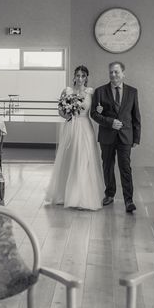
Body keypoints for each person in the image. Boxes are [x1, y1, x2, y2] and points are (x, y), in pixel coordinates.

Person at [45, 65, 105, 210]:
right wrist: (67, 111)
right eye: (77, 75)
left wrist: (99, 110)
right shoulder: (67, 91)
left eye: (83, 76)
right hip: (70, 127)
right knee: (69, 158)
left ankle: (82, 197)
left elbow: (96, 110)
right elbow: (60, 111)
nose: (80, 78)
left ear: (86, 77)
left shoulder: (91, 92)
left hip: (85, 128)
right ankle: (65, 195)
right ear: (74, 76)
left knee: (83, 159)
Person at [91, 61, 141, 213]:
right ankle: (109, 194)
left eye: (116, 72)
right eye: (111, 72)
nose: (113, 75)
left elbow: (136, 115)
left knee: (125, 167)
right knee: (107, 166)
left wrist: (136, 138)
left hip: (126, 136)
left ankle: (128, 200)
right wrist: (110, 122)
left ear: (123, 73)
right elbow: (94, 114)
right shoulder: (100, 91)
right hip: (107, 136)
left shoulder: (132, 92)